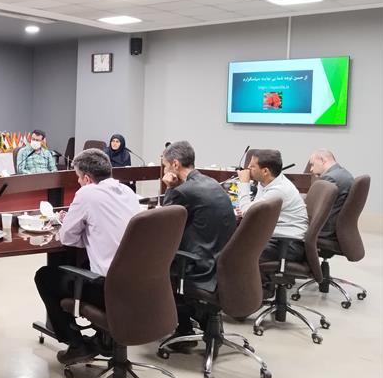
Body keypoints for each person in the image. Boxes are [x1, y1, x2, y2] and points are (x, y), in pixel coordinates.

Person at [34, 149, 142, 364]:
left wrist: (73, 223)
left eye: (78, 178)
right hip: (139, 285)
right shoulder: (127, 191)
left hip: (108, 289)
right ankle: (104, 339)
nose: (78, 182)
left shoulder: (87, 193)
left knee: (45, 277)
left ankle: (76, 344)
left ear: (86, 178)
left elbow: (67, 238)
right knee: (82, 263)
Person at [161, 141, 236, 347]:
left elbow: (163, 220)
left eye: (165, 166)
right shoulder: (211, 182)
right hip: (221, 262)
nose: (165, 171)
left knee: (156, 267)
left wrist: (169, 187)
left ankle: (183, 329)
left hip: (201, 267)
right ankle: (202, 318)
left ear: (175, 164)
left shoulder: (184, 191)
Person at [238, 149, 308, 262]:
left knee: (234, 252)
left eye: (252, 166)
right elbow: (252, 210)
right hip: (275, 237)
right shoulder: (268, 182)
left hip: (287, 245)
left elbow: (248, 214)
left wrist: (244, 183)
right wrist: (248, 209)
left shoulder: (279, 190)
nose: (247, 169)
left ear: (265, 171)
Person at [308, 149, 354, 241]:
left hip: (324, 231)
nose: (311, 169)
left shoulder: (330, 178)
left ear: (322, 160)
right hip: (336, 228)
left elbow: (315, 209)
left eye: (312, 164)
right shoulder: (344, 174)